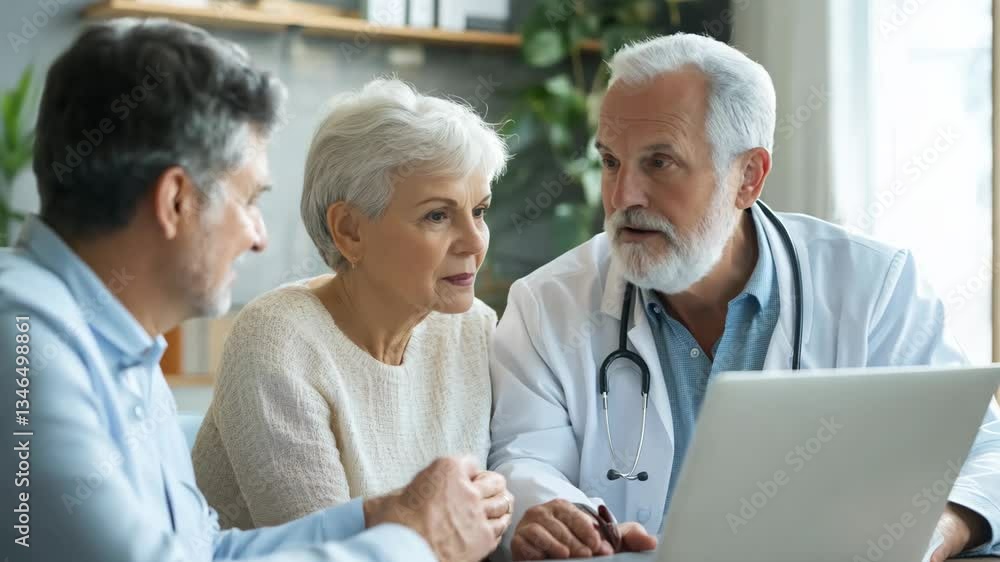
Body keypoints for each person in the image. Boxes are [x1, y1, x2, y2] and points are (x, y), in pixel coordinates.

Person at [0, 19, 508, 562]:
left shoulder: (123, 346)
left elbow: (204, 553)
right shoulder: (24, 338)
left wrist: (385, 516)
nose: (259, 237)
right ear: (175, 201)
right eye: (247, 201)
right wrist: (418, 541)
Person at [487, 33, 1000, 561]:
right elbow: (524, 460)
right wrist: (559, 516)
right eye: (612, 161)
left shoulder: (873, 287)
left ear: (748, 177)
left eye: (659, 163)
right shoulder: (546, 305)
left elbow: (985, 452)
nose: (622, 197)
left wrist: (935, 534)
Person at [192, 77, 511, 531]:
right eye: (437, 215)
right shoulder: (277, 341)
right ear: (350, 231)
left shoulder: (475, 327)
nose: (474, 242)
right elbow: (321, 551)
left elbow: (496, 505)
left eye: (479, 211)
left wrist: (521, 515)